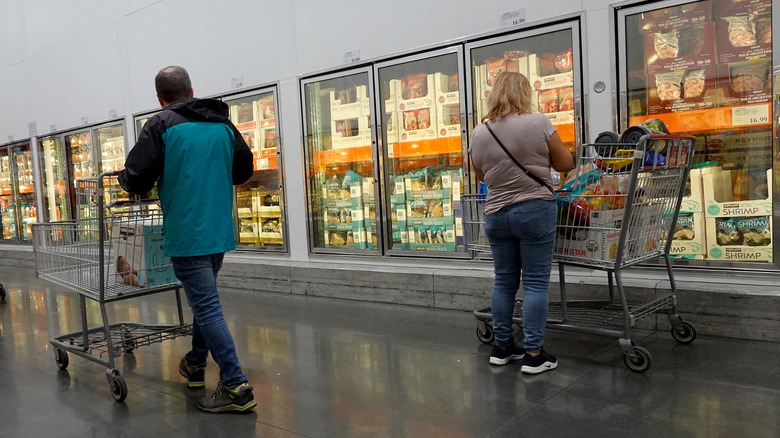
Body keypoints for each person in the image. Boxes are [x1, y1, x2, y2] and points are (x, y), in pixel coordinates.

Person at [119, 65, 256, 412]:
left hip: (187, 230)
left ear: (160, 98)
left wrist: (128, 179)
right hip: (218, 230)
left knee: (207, 306)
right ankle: (195, 364)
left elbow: (135, 178)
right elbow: (243, 170)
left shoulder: (162, 124)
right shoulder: (223, 124)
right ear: (191, 91)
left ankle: (236, 385)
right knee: (203, 301)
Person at [469, 71, 573, 375]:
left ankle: (501, 348)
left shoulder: (480, 131)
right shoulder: (538, 122)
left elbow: (481, 174)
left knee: (504, 282)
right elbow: (565, 164)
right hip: (534, 210)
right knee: (536, 284)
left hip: (497, 215)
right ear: (524, 93)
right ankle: (533, 353)